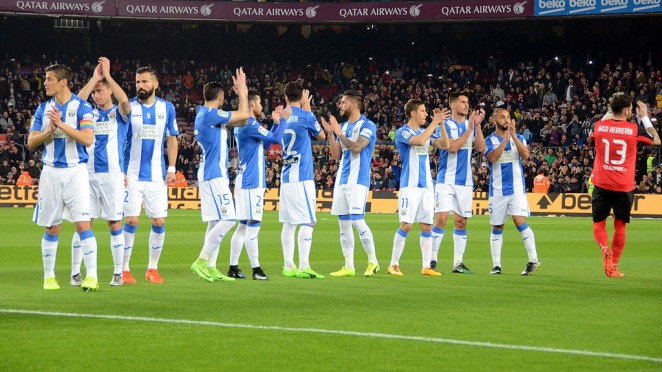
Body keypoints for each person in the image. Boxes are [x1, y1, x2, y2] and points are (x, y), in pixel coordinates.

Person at [28, 64, 98, 291]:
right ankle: (49, 277)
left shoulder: (82, 107)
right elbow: (30, 142)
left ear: (63, 82)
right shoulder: (43, 109)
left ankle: (92, 277)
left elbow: (87, 139)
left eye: (49, 79)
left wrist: (62, 125)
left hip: (76, 171)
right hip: (50, 173)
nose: (45, 83)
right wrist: (50, 130)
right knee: (52, 227)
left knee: (83, 224)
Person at [70, 57, 130, 287]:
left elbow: (124, 100)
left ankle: (117, 273)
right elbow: (74, 104)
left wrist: (109, 76)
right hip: (87, 175)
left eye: (100, 91)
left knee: (114, 223)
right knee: (83, 223)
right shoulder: (88, 113)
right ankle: (75, 272)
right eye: (94, 92)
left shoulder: (120, 114)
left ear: (110, 92)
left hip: (113, 175)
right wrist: (95, 78)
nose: (96, 95)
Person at [190, 70, 250, 282]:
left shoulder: (206, 116)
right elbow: (244, 116)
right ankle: (201, 260)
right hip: (214, 175)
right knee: (228, 219)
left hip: (209, 173)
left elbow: (241, 122)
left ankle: (212, 267)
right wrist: (243, 93)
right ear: (221, 97)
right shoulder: (210, 114)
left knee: (214, 221)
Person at [590, 97, 660, 277]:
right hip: (623, 185)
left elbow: (596, 131)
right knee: (619, 226)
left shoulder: (599, 126)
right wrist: (644, 117)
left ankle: (605, 248)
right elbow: (657, 140)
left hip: (602, 183)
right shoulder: (634, 129)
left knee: (599, 224)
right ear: (627, 111)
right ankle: (613, 266)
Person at [122, 67, 179, 284]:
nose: (140, 86)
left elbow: (172, 138)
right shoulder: (127, 107)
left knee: (159, 220)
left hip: (156, 175)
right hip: (132, 174)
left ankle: (152, 269)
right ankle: (124, 269)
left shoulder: (167, 108)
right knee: (132, 219)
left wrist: (172, 168)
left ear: (155, 84)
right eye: (137, 82)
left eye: (145, 82)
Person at [227, 89, 286, 281]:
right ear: (252, 105)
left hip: (245, 180)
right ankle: (256, 269)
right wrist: (282, 120)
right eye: (260, 103)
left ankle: (233, 267)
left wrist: (276, 124)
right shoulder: (251, 124)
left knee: (243, 225)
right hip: (252, 182)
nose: (262, 107)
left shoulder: (242, 124)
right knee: (253, 225)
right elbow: (276, 140)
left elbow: (268, 144)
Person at [319, 90, 379, 277]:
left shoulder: (367, 125)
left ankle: (373, 262)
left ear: (353, 105)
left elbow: (356, 148)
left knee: (357, 220)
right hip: (342, 179)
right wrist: (331, 134)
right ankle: (349, 266)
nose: (340, 106)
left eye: (343, 103)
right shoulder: (343, 126)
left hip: (358, 179)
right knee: (343, 223)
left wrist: (338, 132)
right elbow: (337, 154)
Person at [388, 99, 450, 276]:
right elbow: (419, 140)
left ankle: (426, 266)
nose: (425, 114)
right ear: (413, 113)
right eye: (423, 111)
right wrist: (435, 122)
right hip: (410, 186)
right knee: (406, 225)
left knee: (426, 226)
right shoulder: (403, 132)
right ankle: (393, 264)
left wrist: (442, 125)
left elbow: (445, 145)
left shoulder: (426, 131)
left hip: (427, 187)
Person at [430, 91, 486, 274]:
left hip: (465, 181)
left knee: (461, 222)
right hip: (445, 179)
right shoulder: (445, 125)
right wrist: (469, 129)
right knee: (442, 219)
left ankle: (458, 263)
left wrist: (477, 126)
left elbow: (480, 148)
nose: (466, 105)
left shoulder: (471, 125)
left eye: (467, 102)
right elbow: (451, 147)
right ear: (453, 105)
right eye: (462, 102)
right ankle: (431, 259)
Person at [484, 109, 541, 275]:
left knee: (519, 221)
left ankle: (534, 260)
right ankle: (496, 265)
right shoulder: (489, 141)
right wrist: (505, 141)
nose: (506, 120)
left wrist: (514, 137)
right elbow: (493, 158)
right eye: (502, 117)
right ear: (494, 120)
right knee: (497, 225)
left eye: (508, 117)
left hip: (516, 189)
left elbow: (526, 155)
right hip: (497, 190)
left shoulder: (520, 138)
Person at [279, 82, 326, 279]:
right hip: (302, 178)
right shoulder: (306, 116)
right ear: (302, 97)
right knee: (309, 221)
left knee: (289, 223)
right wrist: (308, 108)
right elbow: (322, 135)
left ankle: (288, 266)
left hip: (286, 177)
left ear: (286, 98)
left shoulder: (282, 116)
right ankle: (304, 265)